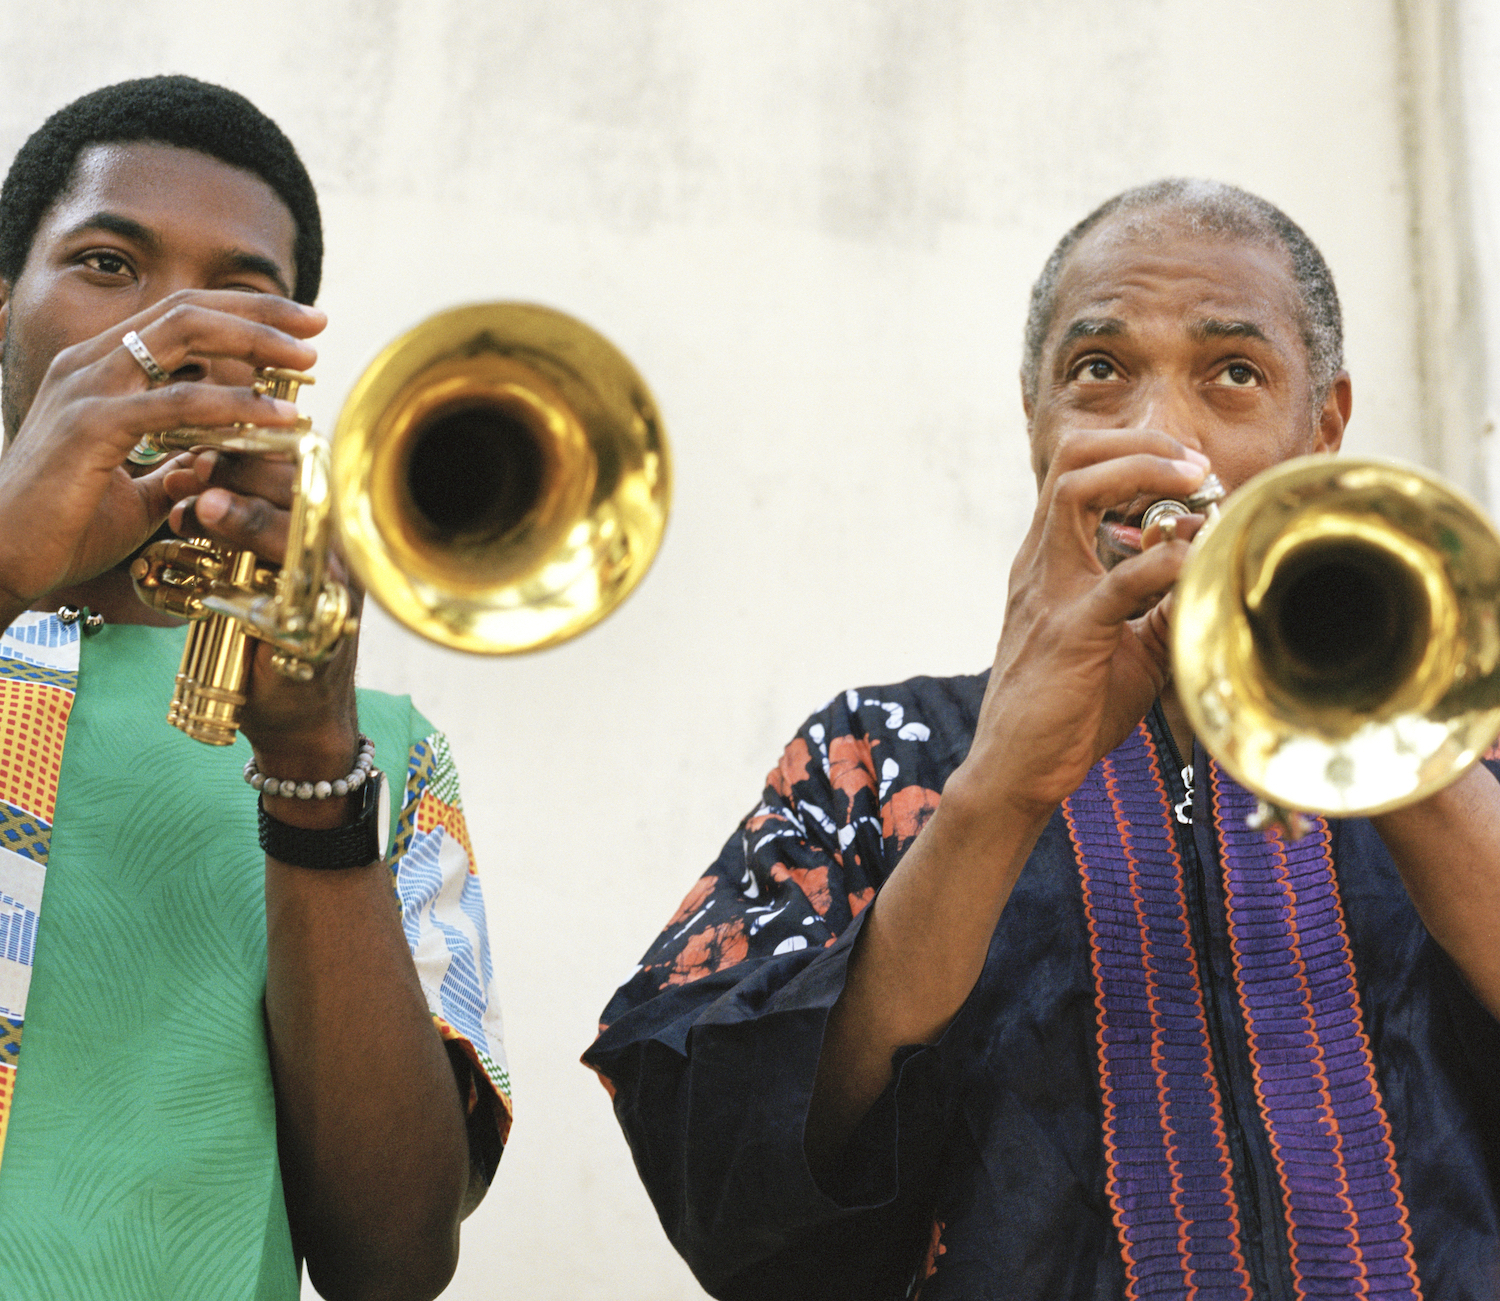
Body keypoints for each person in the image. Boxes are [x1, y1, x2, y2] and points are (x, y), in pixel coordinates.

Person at [584, 180, 1500, 1300]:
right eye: (1100, 371)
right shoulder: (884, 749)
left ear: (1326, 426)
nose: (1162, 435)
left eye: (1235, 374)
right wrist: (998, 789)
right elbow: (712, 1157)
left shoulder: (1469, 740)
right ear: (1038, 420)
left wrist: (1381, 713)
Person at [0, 77, 510, 1300]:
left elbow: (391, 1259)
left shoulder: (381, 747)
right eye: (110, 263)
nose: (172, 328)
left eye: (243, 296)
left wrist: (310, 763)